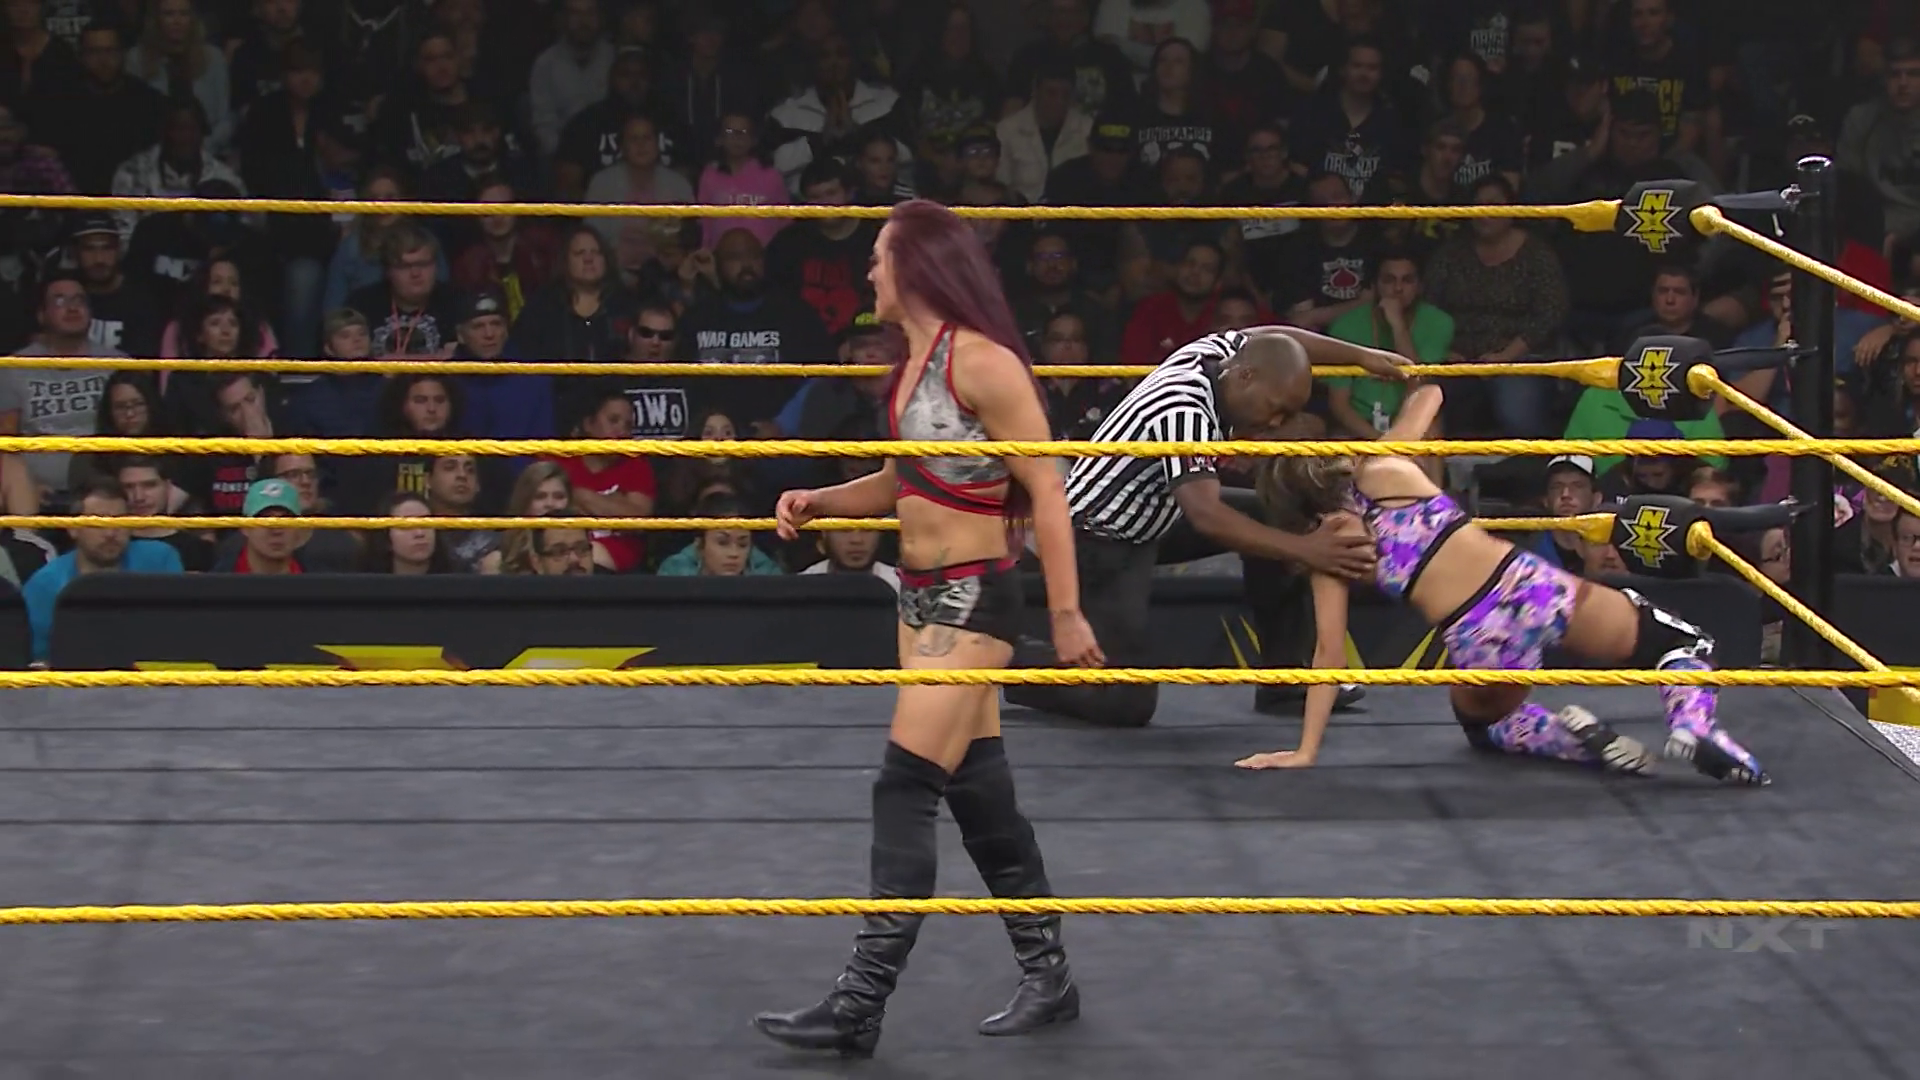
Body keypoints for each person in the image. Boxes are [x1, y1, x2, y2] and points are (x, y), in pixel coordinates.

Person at [754, 199, 1102, 1056]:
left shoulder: (984, 362)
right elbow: (901, 482)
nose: (869, 270)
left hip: (974, 598)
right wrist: (820, 498)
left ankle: (859, 1001)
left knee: (903, 783)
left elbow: (1047, 489)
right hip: (918, 596)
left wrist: (1065, 612)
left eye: (879, 255)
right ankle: (1049, 973)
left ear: (915, 266)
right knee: (979, 788)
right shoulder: (912, 366)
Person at [1235, 383, 1767, 785]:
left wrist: (1305, 751)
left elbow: (1328, 656)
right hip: (1528, 586)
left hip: (1476, 635)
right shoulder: (1382, 464)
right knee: (1677, 642)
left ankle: (1570, 740)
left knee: (1488, 724)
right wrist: (1393, 373)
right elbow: (1431, 393)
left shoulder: (1325, 549)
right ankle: (1694, 724)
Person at [1006, 324, 1406, 728]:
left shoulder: (1220, 355)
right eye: (1276, 408)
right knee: (1126, 701)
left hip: (1158, 509)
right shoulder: (1183, 407)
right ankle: (1011, 658)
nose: (1276, 423)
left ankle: (1284, 680)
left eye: (1288, 414)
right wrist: (1308, 551)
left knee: (1275, 513)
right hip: (1100, 539)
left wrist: (1359, 355)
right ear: (1246, 377)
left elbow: (1277, 337)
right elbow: (1206, 515)